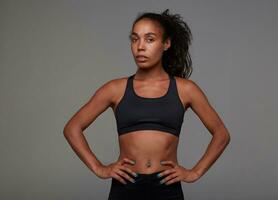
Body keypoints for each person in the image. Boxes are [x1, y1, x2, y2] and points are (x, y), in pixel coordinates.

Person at [63, 9, 230, 200]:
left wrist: (194, 173)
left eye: (149, 39)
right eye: (135, 39)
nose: (140, 47)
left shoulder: (186, 89)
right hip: (126, 185)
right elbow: (72, 128)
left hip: (167, 188)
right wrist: (99, 168)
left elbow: (221, 134)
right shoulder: (115, 89)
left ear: (166, 44)